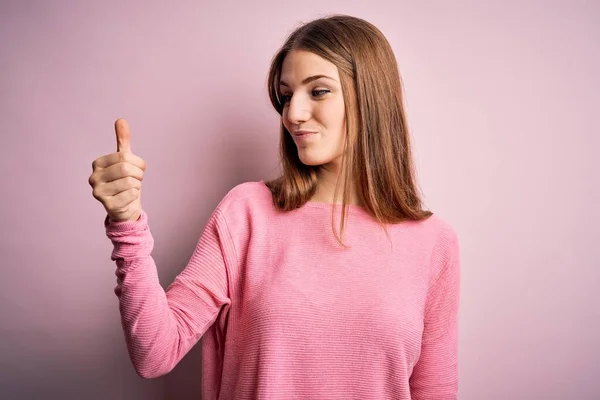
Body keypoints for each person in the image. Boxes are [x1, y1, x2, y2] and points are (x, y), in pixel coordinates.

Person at [88, 14, 460, 400]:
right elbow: (155, 353)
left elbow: (434, 392)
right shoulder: (247, 212)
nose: (293, 114)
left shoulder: (434, 243)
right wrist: (127, 223)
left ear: (370, 96)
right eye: (286, 95)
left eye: (318, 91)